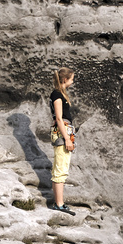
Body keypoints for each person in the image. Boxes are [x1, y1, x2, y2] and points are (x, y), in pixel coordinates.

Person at [49, 68, 78, 214]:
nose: (73, 81)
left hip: (64, 131)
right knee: (61, 169)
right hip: (63, 133)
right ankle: (59, 204)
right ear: (65, 79)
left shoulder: (59, 94)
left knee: (60, 168)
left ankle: (58, 203)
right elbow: (59, 118)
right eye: (72, 79)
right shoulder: (57, 94)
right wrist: (67, 138)